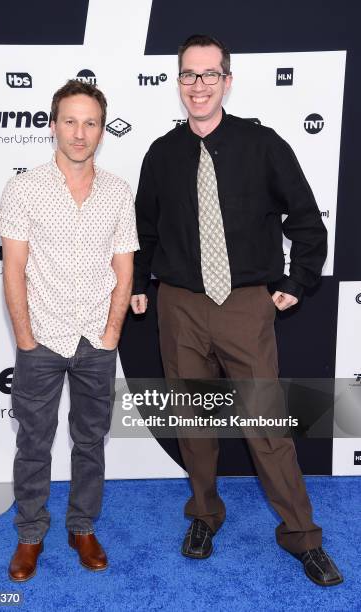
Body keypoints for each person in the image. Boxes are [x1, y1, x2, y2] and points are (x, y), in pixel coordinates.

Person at [131, 34, 343, 586]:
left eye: (208, 74)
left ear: (227, 80)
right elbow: (145, 231)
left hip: (246, 306)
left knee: (265, 424)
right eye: (187, 75)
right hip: (178, 305)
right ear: (178, 82)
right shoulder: (161, 153)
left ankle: (302, 535)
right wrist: (137, 283)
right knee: (193, 424)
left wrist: (297, 282)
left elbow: (305, 220)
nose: (197, 85)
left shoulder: (263, 144)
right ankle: (203, 516)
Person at [0, 79, 139, 581]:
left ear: (102, 130)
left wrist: (112, 333)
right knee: (33, 443)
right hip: (41, 338)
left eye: (91, 123)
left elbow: (124, 269)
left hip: (96, 341)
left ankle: (82, 527)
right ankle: (30, 534)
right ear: (54, 124)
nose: (80, 133)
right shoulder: (23, 187)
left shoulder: (120, 192)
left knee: (91, 439)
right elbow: (13, 268)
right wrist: (24, 337)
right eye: (71, 121)